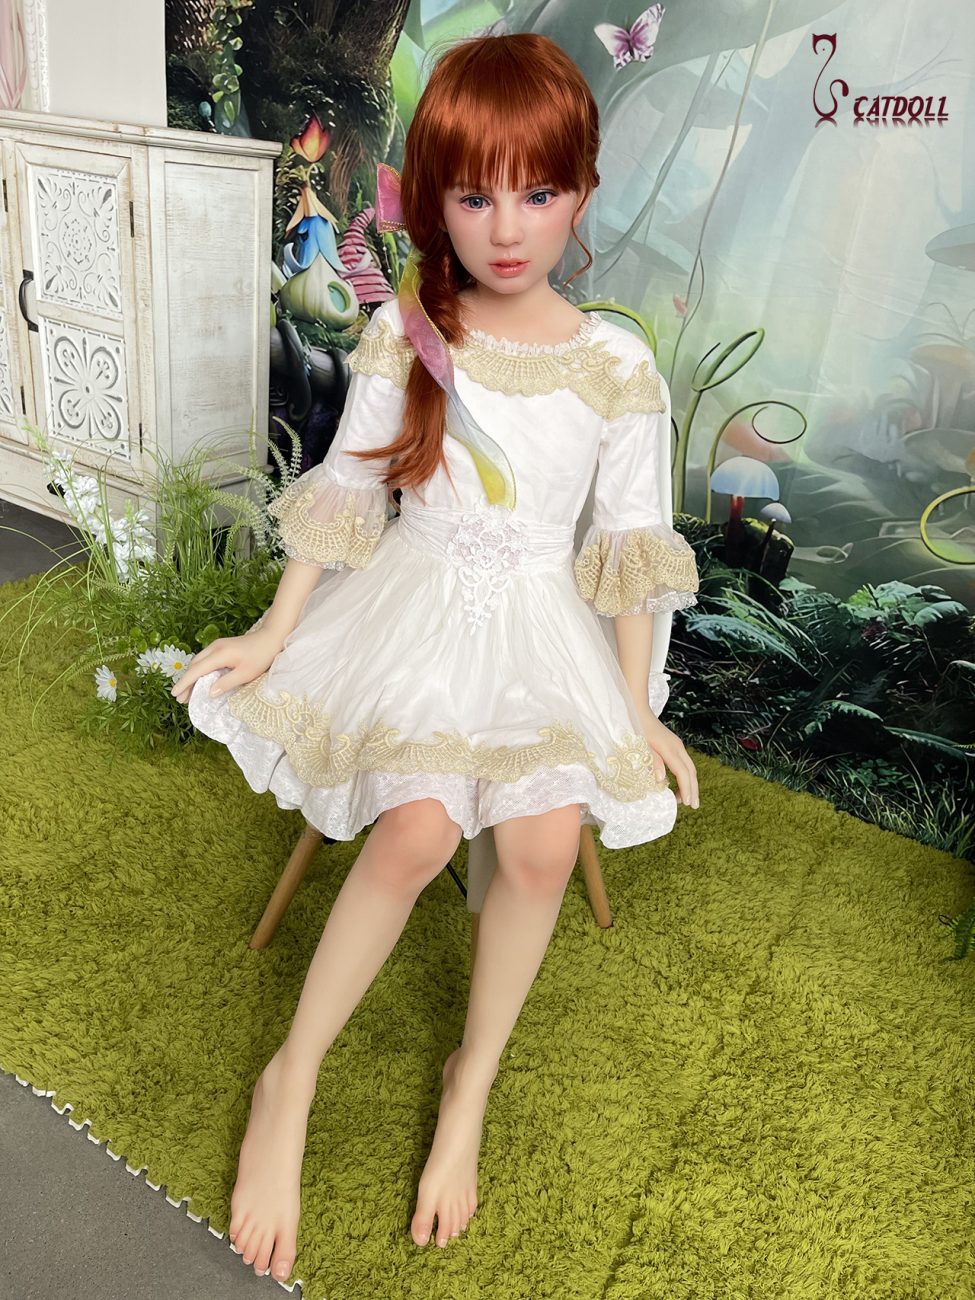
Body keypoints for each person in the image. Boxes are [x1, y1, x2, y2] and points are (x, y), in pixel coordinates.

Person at [171, 30, 701, 1284]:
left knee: (540, 842)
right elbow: (352, 491)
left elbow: (628, 550)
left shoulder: (617, 367)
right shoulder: (407, 330)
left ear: (584, 191)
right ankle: (290, 1079)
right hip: (410, 611)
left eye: (540, 191)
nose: (507, 228)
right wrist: (275, 630)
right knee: (414, 829)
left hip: (543, 631)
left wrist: (637, 708)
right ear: (433, 200)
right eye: (474, 196)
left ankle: (472, 1082)